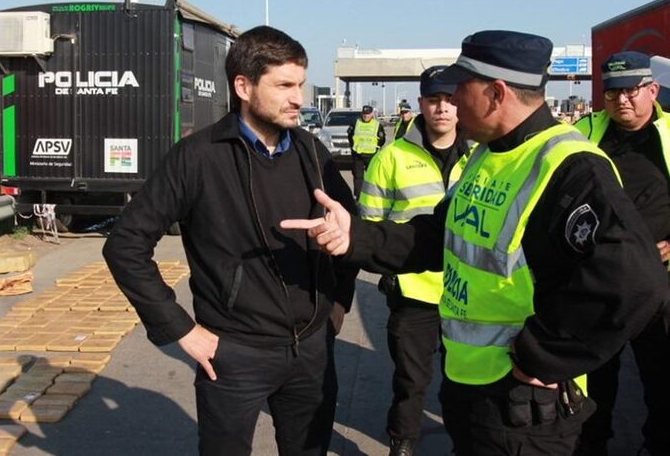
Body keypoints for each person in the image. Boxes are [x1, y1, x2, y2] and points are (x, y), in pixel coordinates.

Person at [282, 30, 669, 456]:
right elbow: (435, 236)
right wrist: (355, 235)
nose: (450, 103)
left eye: (459, 89)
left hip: (524, 407)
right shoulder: (487, 155)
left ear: (495, 94)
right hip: (471, 388)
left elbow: (636, 280)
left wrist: (542, 356)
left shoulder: (571, 167)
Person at [102, 25, 358, 456]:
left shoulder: (313, 152)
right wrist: (181, 329)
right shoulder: (198, 156)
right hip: (234, 355)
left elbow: (353, 231)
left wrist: (336, 308)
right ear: (243, 85)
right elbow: (125, 244)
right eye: (284, 85)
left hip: (312, 351)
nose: (299, 97)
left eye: (300, 84)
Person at [359, 65, 470, 456]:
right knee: (411, 380)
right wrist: (389, 275)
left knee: (467, 382)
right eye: (434, 99)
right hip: (414, 293)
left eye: (450, 99)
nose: (443, 108)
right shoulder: (389, 157)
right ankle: (403, 442)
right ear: (421, 103)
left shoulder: (482, 156)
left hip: (470, 295)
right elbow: (369, 227)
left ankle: (465, 441)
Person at [574, 51, 670, 456]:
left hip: (657, 284)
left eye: (630, 90)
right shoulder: (582, 132)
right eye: (611, 92)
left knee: (662, 382)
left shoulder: (668, 136)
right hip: (599, 280)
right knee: (594, 386)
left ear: (652, 89)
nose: (620, 101)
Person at [347, 104, 385, 198]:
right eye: (364, 114)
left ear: (372, 114)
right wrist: (354, 147)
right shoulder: (356, 123)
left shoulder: (377, 125)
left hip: (371, 155)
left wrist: (376, 148)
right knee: (358, 177)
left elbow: (382, 139)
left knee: (373, 176)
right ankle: (358, 197)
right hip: (358, 154)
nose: (366, 116)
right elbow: (350, 136)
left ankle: (373, 195)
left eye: (368, 114)